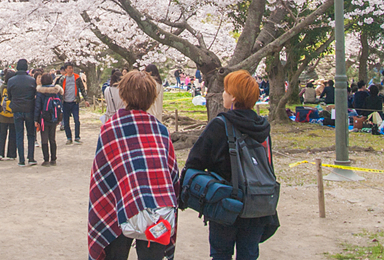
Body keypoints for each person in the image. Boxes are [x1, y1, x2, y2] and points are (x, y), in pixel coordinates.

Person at [185, 70, 279, 260]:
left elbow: (195, 162)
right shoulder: (263, 127)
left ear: (234, 97)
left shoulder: (220, 125)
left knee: (221, 254)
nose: (223, 94)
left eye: (226, 91)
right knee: (249, 254)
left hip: (226, 203)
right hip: (257, 202)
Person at [88, 71, 180, 260]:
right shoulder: (160, 131)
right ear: (152, 98)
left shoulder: (111, 129)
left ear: (122, 94)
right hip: (157, 209)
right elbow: (172, 174)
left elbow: (102, 178)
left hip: (118, 205)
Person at [7, 58, 38, 166]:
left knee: (19, 134)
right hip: (29, 109)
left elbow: (9, 95)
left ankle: (21, 159)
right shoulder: (32, 80)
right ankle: (31, 157)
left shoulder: (11, 81)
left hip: (17, 109)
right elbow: (35, 94)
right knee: (31, 134)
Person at [35, 73, 63, 166]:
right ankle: (53, 159)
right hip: (54, 117)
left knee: (44, 139)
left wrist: (36, 119)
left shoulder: (40, 91)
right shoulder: (56, 90)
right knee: (52, 138)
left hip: (44, 118)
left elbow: (38, 106)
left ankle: (46, 159)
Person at [56, 62, 87, 144]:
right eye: (69, 68)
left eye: (71, 68)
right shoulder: (62, 79)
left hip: (74, 102)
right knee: (66, 121)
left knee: (76, 120)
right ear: (65, 69)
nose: (70, 70)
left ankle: (77, 137)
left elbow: (82, 89)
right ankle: (69, 137)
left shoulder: (77, 78)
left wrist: (86, 99)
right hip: (65, 102)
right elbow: (58, 90)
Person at [0, 69, 17, 161]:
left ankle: (0, 153)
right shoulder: (16, 87)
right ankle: (11, 154)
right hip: (13, 113)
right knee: (13, 133)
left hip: (3, 114)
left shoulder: (2, 88)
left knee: (2, 133)